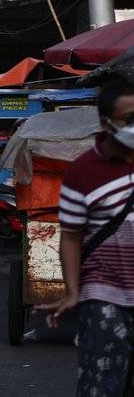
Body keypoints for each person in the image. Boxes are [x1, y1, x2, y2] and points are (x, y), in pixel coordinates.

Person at [34, 76, 134, 396]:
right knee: (102, 386)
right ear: (106, 124)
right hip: (104, 295)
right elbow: (72, 236)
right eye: (129, 119)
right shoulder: (82, 171)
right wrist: (74, 291)